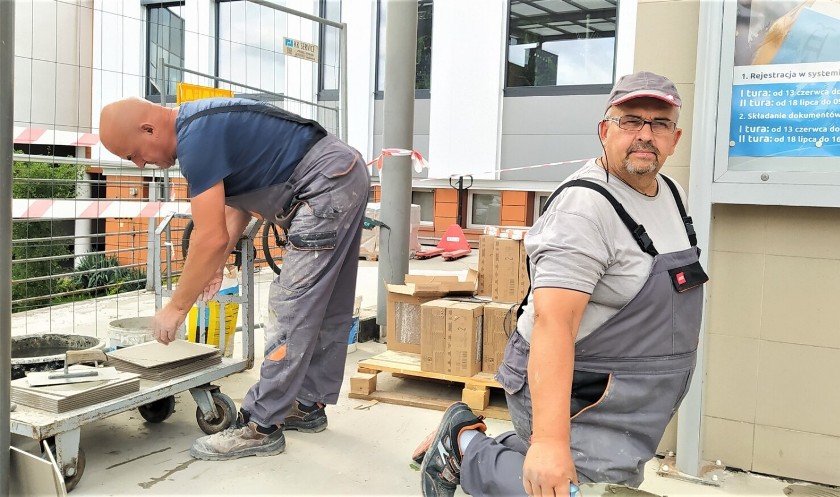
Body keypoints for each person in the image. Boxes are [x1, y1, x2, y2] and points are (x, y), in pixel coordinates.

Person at [415, 71, 708, 496]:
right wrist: (551, 443)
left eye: (659, 123)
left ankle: (507, 447)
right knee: (567, 489)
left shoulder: (672, 193)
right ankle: (465, 446)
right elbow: (554, 324)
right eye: (631, 121)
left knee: (597, 478)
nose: (646, 134)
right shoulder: (583, 209)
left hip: (631, 396)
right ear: (605, 131)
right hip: (580, 389)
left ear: (675, 138)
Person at [99, 96, 369, 461]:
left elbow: (210, 237)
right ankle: (307, 405)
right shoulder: (203, 125)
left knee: (292, 306)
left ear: (149, 129)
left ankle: (262, 426)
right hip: (341, 172)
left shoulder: (195, 138)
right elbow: (234, 208)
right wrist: (213, 265)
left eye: (134, 154)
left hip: (323, 184)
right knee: (326, 300)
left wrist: (176, 307)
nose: (141, 163)